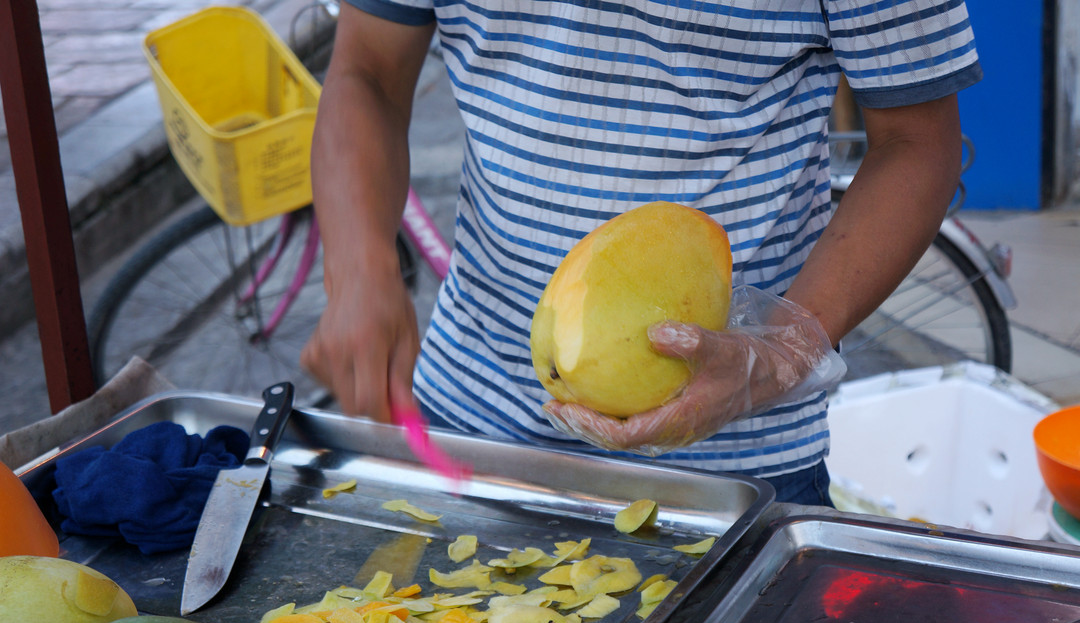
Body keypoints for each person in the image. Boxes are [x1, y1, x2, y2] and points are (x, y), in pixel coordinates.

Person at [301, 0, 982, 505]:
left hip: (735, 464)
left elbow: (916, 145)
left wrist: (782, 351)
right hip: (466, 418)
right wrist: (359, 272)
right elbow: (367, 71)